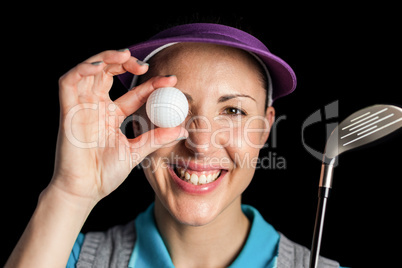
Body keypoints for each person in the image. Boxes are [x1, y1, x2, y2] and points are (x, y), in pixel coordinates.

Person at [5, 23, 345, 267]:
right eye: (174, 108)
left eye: (233, 111)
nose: (199, 143)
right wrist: (70, 193)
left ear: (265, 127)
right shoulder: (63, 255)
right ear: (135, 119)